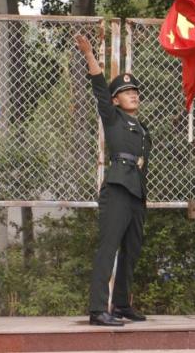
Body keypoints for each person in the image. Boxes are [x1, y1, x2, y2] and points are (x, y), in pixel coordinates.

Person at [75, 34, 151, 327]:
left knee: (132, 249)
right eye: (127, 92)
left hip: (136, 191)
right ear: (116, 99)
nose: (134, 95)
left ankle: (121, 304)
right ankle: (98, 309)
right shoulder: (113, 117)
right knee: (109, 248)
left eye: (135, 92)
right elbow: (98, 88)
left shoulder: (141, 127)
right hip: (118, 187)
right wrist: (89, 55)